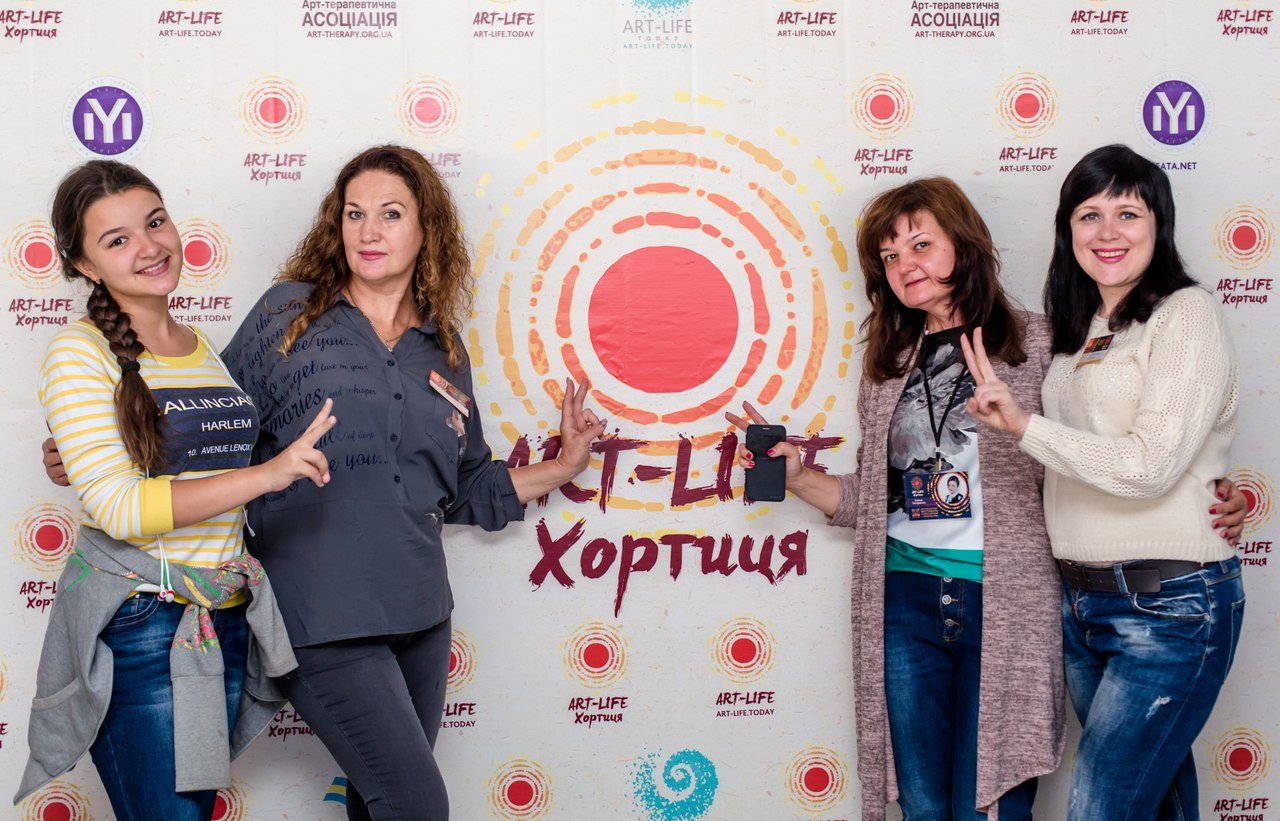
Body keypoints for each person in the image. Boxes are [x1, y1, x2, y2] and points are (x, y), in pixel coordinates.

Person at [728, 176, 1246, 821]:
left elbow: (1112, 439)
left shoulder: (1043, 343)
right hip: (904, 602)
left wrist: (1211, 487)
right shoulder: (888, 364)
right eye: (889, 256)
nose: (905, 265)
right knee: (922, 805)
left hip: (1005, 603)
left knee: (990, 807)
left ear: (964, 244)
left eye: (921, 244)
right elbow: (881, 498)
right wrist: (800, 477)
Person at [218, 144, 602, 821]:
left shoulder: (442, 349)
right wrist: (97, 451)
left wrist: (566, 465)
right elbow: (210, 427)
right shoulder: (288, 314)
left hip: (421, 615)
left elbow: (467, 486)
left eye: (391, 214)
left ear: (427, 230)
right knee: (416, 804)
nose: (369, 231)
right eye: (355, 214)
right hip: (320, 613)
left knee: (379, 804)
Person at [16, 161, 334, 819]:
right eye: (117, 239)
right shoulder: (78, 351)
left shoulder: (200, 345)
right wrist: (268, 474)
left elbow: (189, 459)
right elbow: (121, 508)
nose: (149, 246)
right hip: (147, 620)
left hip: (219, 614)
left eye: (155, 222)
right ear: (84, 265)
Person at [962, 144, 1243, 820]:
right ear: (1068, 230)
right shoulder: (1084, 329)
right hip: (1085, 605)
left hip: (1170, 605)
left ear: (1159, 224)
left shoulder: (1186, 313)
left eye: (1128, 213)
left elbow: (1150, 466)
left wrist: (1025, 426)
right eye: (1089, 215)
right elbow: (1098, 452)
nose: (1107, 232)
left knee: (1100, 807)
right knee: (1159, 799)